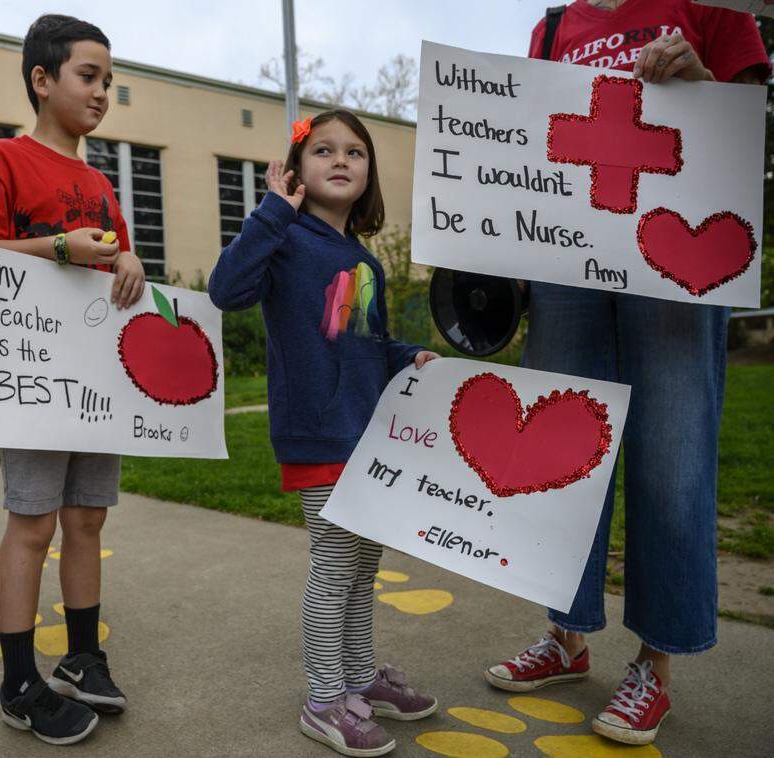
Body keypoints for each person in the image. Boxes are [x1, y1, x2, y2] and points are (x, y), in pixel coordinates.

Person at [483, 0, 771, 747]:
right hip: (566, 265)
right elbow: (529, 153)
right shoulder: (552, 28)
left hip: (676, 262)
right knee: (561, 456)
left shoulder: (711, 11)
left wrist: (703, 85)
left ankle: (655, 663)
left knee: (671, 460)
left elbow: (746, 137)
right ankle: (567, 637)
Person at [209, 110, 440, 757]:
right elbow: (227, 290)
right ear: (297, 170)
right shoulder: (282, 239)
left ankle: (363, 676)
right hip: (316, 436)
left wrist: (410, 357)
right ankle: (325, 698)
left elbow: (366, 342)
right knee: (335, 567)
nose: (341, 160)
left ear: (369, 175)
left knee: (365, 567)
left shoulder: (365, 263)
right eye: (324, 151)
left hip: (368, 441)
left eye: (355, 152)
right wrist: (270, 213)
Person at [0, 13, 145, 746]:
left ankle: (83, 659)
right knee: (31, 525)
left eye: (108, 81)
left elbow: (114, 260)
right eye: (89, 76)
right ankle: (19, 681)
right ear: (42, 79)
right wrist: (58, 246)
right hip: (28, 379)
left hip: (94, 383)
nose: (101, 93)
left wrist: (129, 260)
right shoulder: (3, 160)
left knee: (87, 520)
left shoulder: (98, 179)